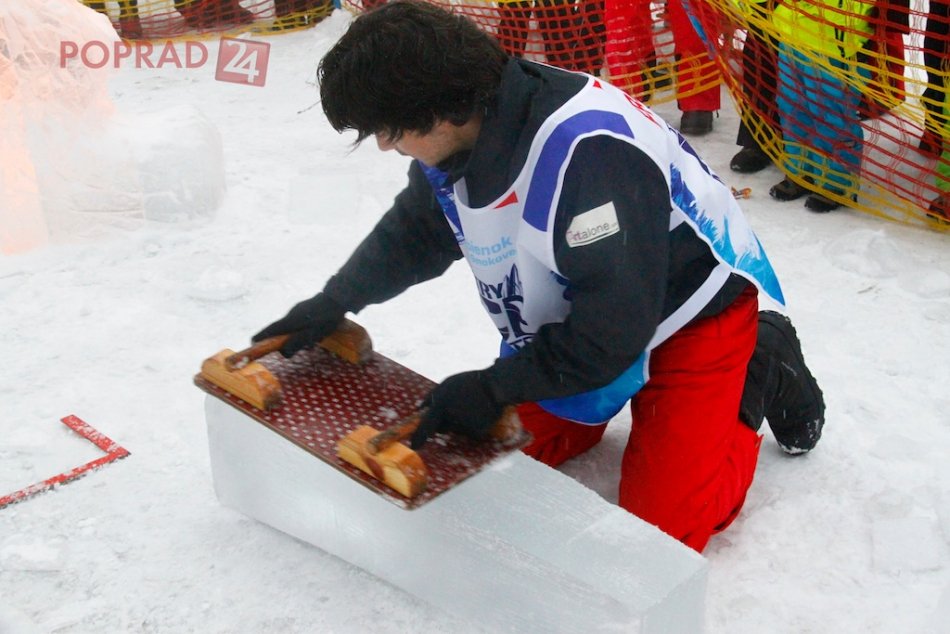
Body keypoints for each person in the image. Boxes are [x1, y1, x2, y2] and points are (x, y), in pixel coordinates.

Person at [252, 0, 825, 553]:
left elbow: (612, 331)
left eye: (390, 129)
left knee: (661, 532)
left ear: (445, 108)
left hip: (687, 311)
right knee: (488, 458)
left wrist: (494, 387)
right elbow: (418, 232)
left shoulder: (587, 156)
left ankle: (760, 367)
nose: (384, 145)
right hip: (585, 307)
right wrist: (336, 299)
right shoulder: (459, 133)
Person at [767, 0, 875, 212]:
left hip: (833, 41)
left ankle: (836, 184)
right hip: (792, 33)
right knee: (792, 107)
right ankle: (801, 171)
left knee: (831, 114)